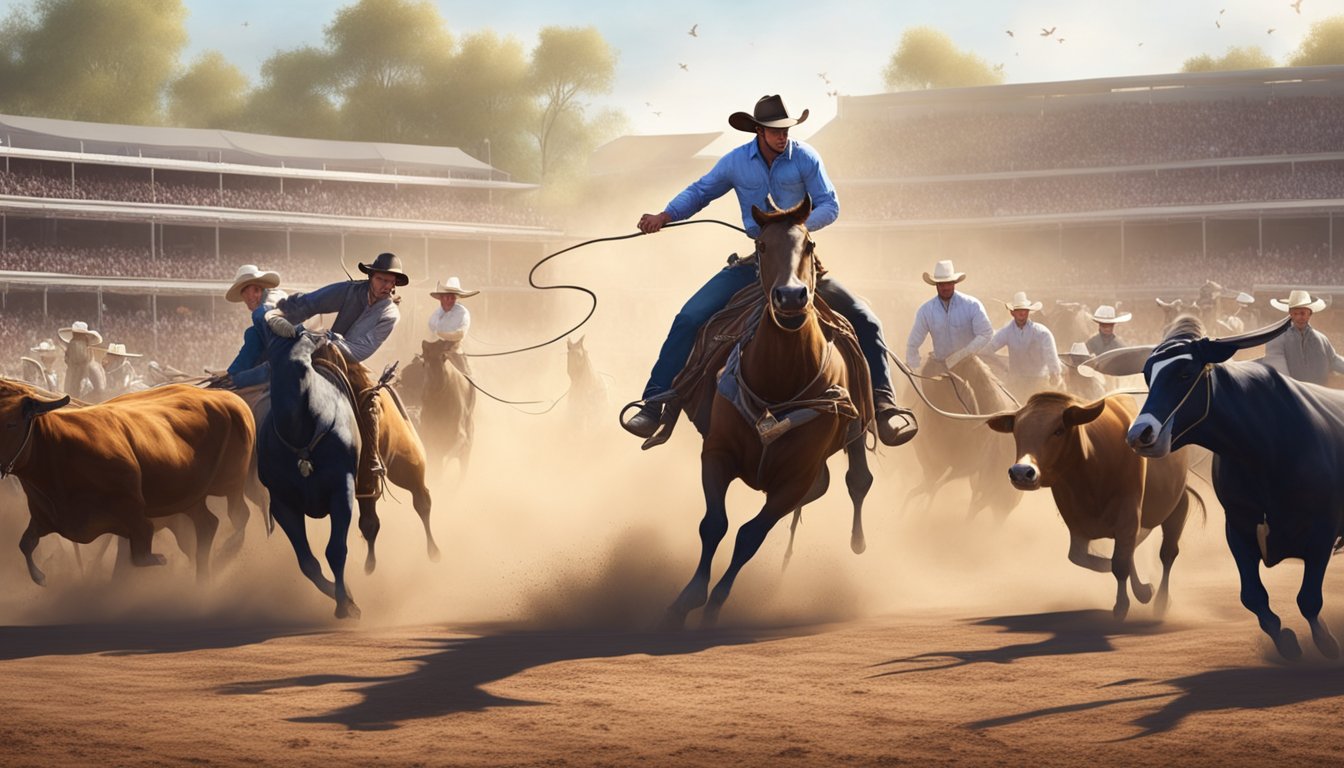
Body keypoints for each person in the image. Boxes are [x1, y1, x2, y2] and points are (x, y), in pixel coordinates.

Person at [623, 94, 916, 446]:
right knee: (689, 318)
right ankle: (655, 404)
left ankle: (884, 406)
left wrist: (793, 228)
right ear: (759, 131)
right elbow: (701, 191)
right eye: (776, 131)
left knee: (865, 319)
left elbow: (830, 204)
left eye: (787, 130)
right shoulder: (735, 163)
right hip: (757, 264)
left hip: (803, 265)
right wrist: (665, 215)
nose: (783, 136)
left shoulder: (805, 157)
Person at [262, 251, 408, 496]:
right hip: (322, 348)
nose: (386, 286)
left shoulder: (389, 313)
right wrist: (284, 314)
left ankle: (369, 464)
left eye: (391, 282)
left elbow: (362, 349)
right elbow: (313, 302)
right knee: (283, 377)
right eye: (382, 280)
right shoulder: (350, 290)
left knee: (369, 403)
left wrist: (329, 341)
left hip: (350, 362)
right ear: (371, 277)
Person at [905, 260, 994, 379]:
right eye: (941, 284)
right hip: (939, 365)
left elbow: (986, 333)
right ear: (936, 285)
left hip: (969, 363)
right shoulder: (925, 311)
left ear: (954, 283)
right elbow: (912, 344)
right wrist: (914, 367)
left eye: (949, 283)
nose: (945, 287)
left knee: (986, 394)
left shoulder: (972, 305)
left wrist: (961, 355)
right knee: (917, 393)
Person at [983, 291, 1062, 399]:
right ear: (1012, 313)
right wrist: (999, 364)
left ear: (1028, 312)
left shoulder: (1041, 332)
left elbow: (1050, 355)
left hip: (1038, 380)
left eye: (1024, 310)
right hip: (1016, 381)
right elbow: (989, 348)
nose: (1022, 313)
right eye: (1018, 310)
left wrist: (1054, 373)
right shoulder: (1006, 332)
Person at [1262, 289, 1344, 386]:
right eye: (1296, 313)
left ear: (1310, 314)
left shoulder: (1322, 339)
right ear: (1290, 314)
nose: (1299, 317)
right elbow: (1278, 368)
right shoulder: (1277, 339)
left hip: (1320, 395)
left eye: (1303, 313)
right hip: (1294, 395)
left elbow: (1334, 360)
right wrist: (1291, 389)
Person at [223, 264, 286, 388]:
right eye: (244, 294)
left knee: (251, 333)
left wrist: (234, 376)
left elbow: (264, 316)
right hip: (286, 352)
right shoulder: (276, 297)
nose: (248, 298)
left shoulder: (265, 308)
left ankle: (233, 375)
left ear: (260, 289)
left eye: (252, 292)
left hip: (284, 360)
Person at [427, 276, 477, 374]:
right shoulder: (436, 314)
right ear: (441, 298)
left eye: (452, 297)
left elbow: (459, 334)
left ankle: (471, 385)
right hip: (436, 348)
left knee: (466, 374)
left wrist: (439, 333)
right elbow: (430, 330)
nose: (449, 300)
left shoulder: (462, 313)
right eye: (447, 297)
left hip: (455, 349)